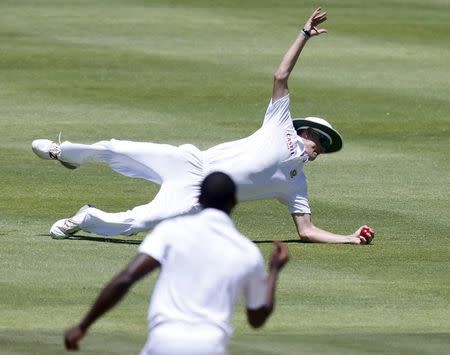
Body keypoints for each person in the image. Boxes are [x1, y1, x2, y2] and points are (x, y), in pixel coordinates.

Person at [32, 7, 374, 244]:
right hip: (191, 161)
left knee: (141, 222)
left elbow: (307, 231)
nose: (320, 148)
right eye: (320, 140)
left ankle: (85, 219)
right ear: (307, 133)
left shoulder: (296, 184)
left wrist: (349, 237)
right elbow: (280, 75)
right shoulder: (281, 125)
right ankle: (64, 152)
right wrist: (304, 35)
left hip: (199, 194)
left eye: (324, 147)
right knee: (117, 147)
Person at [64, 172, 289, 354]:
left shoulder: (171, 231)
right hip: (211, 346)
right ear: (234, 202)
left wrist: (83, 326)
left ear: (200, 199)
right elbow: (257, 318)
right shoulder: (247, 251)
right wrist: (274, 271)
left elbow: (126, 278)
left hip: (164, 342)